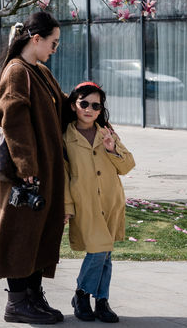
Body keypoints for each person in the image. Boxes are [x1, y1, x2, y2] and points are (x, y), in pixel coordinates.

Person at [0, 10, 67, 325]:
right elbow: (14, 118)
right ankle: (17, 303)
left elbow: (61, 106)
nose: (54, 49)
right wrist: (25, 165)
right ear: (36, 39)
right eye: (53, 42)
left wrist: (89, 104)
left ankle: (34, 297)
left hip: (44, 169)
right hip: (27, 174)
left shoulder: (40, 72)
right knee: (20, 232)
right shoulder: (18, 71)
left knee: (40, 232)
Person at [63, 82, 135, 323]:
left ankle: (101, 301)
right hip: (85, 204)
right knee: (98, 251)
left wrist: (112, 149)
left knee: (105, 254)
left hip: (110, 200)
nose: (89, 109)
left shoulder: (107, 133)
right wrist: (67, 207)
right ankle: (82, 294)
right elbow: (63, 175)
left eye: (96, 106)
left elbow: (127, 166)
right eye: (84, 103)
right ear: (74, 105)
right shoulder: (65, 137)